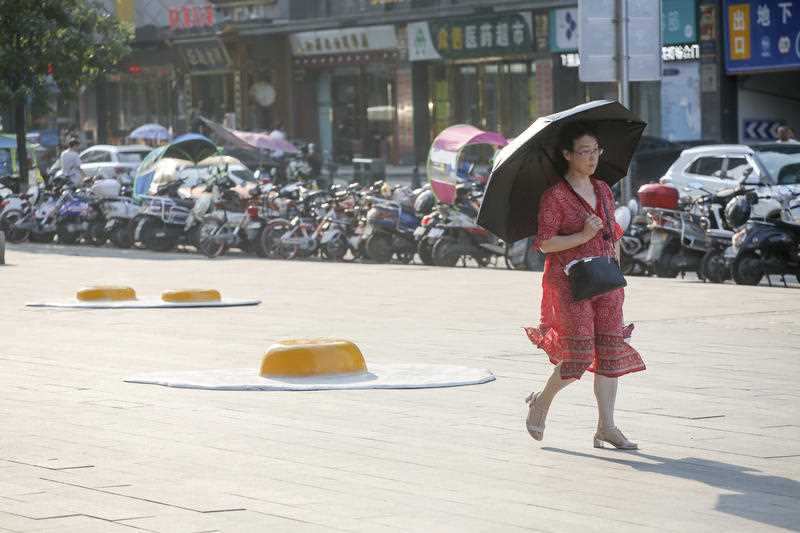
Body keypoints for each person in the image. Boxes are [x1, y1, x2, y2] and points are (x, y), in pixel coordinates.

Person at [523, 121, 646, 449]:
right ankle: (542, 402)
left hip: (606, 280)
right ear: (567, 155)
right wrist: (582, 236)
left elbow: (611, 233)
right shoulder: (555, 196)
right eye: (584, 152)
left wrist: (617, 272)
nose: (592, 158)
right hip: (570, 284)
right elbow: (545, 243)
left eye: (596, 151)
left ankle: (606, 426)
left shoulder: (604, 188)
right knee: (578, 355)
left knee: (609, 352)